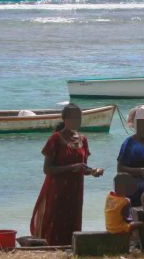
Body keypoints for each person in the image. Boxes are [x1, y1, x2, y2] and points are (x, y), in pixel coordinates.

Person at [30, 103, 104, 246]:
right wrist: (72, 167)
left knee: (72, 222)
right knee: (54, 222)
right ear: (65, 119)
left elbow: (82, 168)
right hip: (56, 190)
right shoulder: (55, 139)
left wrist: (93, 171)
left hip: (75, 192)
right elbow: (47, 169)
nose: (77, 121)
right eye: (73, 118)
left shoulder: (83, 140)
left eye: (79, 117)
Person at [104, 173, 144, 250]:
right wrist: (133, 223)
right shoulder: (125, 201)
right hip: (118, 228)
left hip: (109, 227)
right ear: (123, 187)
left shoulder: (109, 196)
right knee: (141, 225)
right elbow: (127, 218)